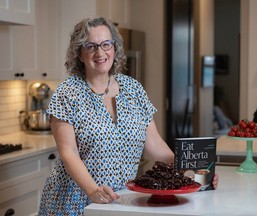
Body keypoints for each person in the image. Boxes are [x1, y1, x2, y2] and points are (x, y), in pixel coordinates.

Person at [38, 17, 218, 215]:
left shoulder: (133, 89)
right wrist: (92, 190)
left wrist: (193, 173)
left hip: (121, 199)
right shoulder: (67, 93)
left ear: (114, 48)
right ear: (79, 53)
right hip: (74, 200)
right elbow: (68, 152)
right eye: (90, 46)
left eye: (106, 44)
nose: (100, 52)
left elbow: (156, 145)